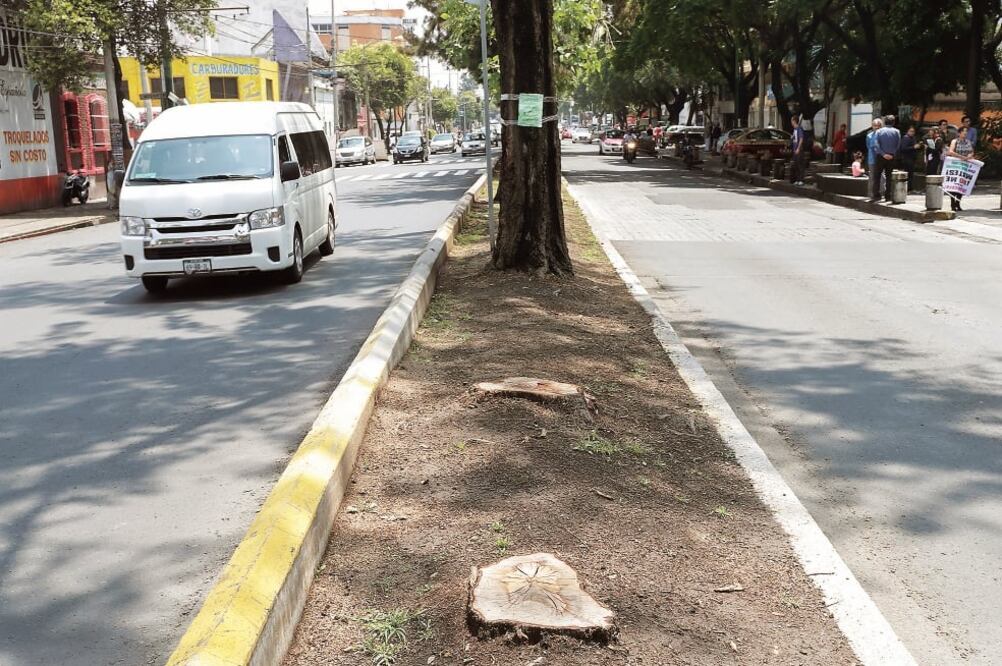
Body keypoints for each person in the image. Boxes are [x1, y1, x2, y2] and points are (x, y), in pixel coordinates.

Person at [944, 126, 975, 211]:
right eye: (963, 132)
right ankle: (952, 203)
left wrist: (969, 156)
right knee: (953, 185)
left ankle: (958, 203)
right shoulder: (955, 141)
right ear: (959, 133)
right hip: (955, 165)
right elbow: (950, 151)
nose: (965, 133)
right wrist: (961, 157)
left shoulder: (968, 141)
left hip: (964, 166)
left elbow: (971, 151)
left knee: (961, 185)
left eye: (966, 132)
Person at [872, 114, 901, 202]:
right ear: (893, 122)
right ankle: (888, 195)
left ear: (884, 122)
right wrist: (893, 154)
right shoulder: (897, 132)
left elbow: (876, 145)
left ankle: (876, 195)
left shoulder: (879, 132)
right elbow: (898, 144)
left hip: (881, 156)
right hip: (891, 156)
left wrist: (883, 154)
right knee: (889, 176)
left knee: (877, 176)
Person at [866, 117, 884, 199]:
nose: (876, 127)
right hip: (872, 159)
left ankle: (882, 192)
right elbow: (868, 146)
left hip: (881, 158)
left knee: (882, 176)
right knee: (872, 176)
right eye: (874, 125)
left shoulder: (883, 135)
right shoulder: (869, 136)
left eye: (878, 125)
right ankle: (871, 193)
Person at [899, 126, 918, 192]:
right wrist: (913, 147)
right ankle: (908, 188)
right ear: (907, 131)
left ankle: (910, 188)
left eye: (913, 131)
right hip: (907, 158)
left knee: (911, 174)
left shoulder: (913, 138)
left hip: (912, 158)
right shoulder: (906, 138)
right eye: (911, 131)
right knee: (908, 174)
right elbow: (903, 148)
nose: (912, 133)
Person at [790, 115, 807, 185]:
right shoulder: (794, 129)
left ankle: (801, 180)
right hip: (794, 150)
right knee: (796, 165)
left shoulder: (799, 129)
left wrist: (798, 148)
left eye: (791, 120)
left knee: (800, 165)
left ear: (794, 121)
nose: (791, 122)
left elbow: (801, 139)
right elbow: (795, 138)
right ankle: (797, 179)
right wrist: (792, 137)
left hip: (798, 150)